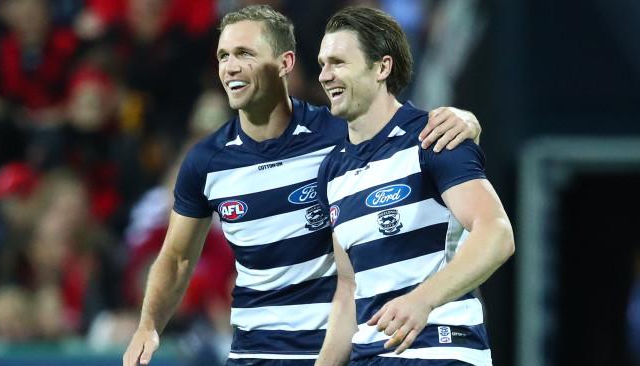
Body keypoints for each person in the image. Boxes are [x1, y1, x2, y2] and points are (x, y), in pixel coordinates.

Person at [122, 5, 484, 366]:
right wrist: (149, 325)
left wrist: (465, 120)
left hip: (331, 348)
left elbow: (401, 126)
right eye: (223, 56)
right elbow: (178, 257)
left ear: (285, 63)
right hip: (252, 352)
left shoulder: (339, 133)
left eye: (245, 54)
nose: (230, 66)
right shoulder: (206, 161)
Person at [314, 6, 514, 366]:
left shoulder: (435, 135)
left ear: (381, 67)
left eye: (339, 62)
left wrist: (422, 300)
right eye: (322, 64)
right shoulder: (332, 169)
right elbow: (348, 289)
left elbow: (497, 233)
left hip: (441, 349)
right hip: (369, 357)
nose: (326, 76)